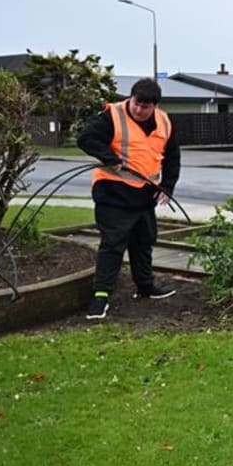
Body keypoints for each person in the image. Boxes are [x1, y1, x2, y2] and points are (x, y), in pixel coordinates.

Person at [77, 78, 181, 320]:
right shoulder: (112, 116)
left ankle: (145, 287)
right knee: (113, 245)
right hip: (113, 192)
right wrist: (109, 157)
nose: (138, 110)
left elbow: (172, 156)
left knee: (143, 242)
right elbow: (86, 138)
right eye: (136, 103)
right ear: (131, 99)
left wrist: (168, 186)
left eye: (145, 106)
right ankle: (100, 297)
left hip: (144, 194)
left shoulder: (165, 122)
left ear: (154, 106)